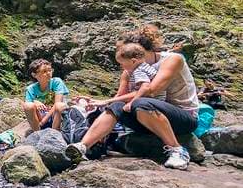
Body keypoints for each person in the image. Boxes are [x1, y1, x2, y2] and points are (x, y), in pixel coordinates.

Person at [67, 26, 200, 170]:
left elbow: (152, 91)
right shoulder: (130, 69)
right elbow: (119, 98)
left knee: (140, 103)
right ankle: (83, 147)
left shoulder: (172, 59)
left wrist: (107, 100)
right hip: (147, 118)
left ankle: (177, 150)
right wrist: (96, 103)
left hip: (183, 117)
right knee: (116, 107)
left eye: (124, 51)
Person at [23, 58, 69, 131]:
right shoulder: (30, 89)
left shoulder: (56, 82)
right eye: (44, 71)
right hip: (40, 118)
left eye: (50, 70)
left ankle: (54, 133)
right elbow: (27, 106)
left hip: (56, 116)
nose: (48, 73)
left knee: (59, 105)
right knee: (28, 105)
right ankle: (37, 133)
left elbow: (57, 104)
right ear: (34, 75)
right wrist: (34, 102)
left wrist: (43, 122)